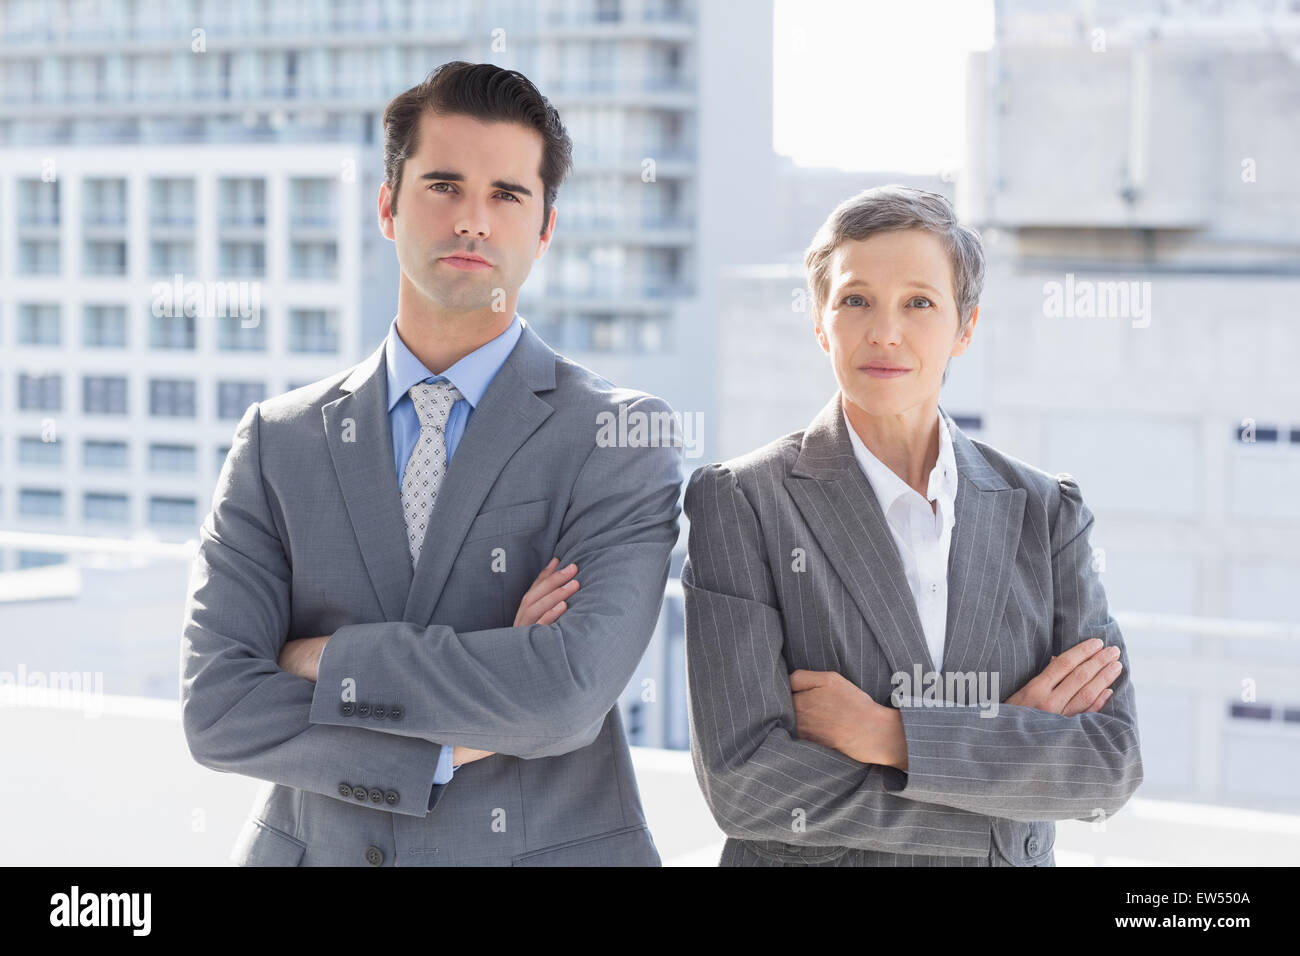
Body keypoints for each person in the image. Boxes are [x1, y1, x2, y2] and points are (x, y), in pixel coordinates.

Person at [180, 61, 682, 866]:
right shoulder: (279, 440)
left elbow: (561, 697)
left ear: (546, 226)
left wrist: (320, 659)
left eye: (507, 195)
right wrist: (441, 747)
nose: (473, 220)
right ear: (388, 205)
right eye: (443, 185)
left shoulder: (619, 438)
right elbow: (219, 708)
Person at [681, 185, 1143, 866]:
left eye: (919, 302)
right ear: (820, 321)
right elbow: (746, 784)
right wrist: (998, 778)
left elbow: (1107, 763)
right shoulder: (744, 503)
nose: (885, 331)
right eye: (855, 299)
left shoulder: (1047, 513)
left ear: (966, 325)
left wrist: (891, 735)